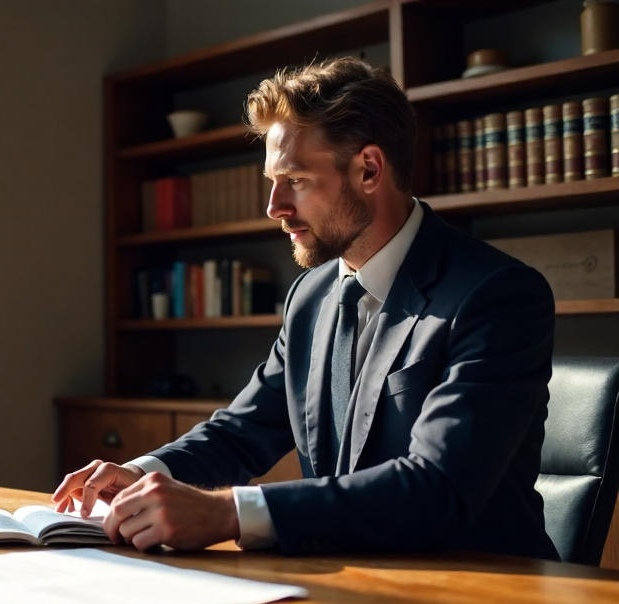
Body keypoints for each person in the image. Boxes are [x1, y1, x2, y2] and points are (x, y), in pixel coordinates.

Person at [53, 58, 559, 561]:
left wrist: (229, 513)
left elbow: (438, 487)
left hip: (484, 595)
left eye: (294, 180)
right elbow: (241, 431)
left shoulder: (498, 294)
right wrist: (142, 473)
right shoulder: (310, 295)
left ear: (368, 169)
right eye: (272, 180)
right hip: (349, 583)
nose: (274, 206)